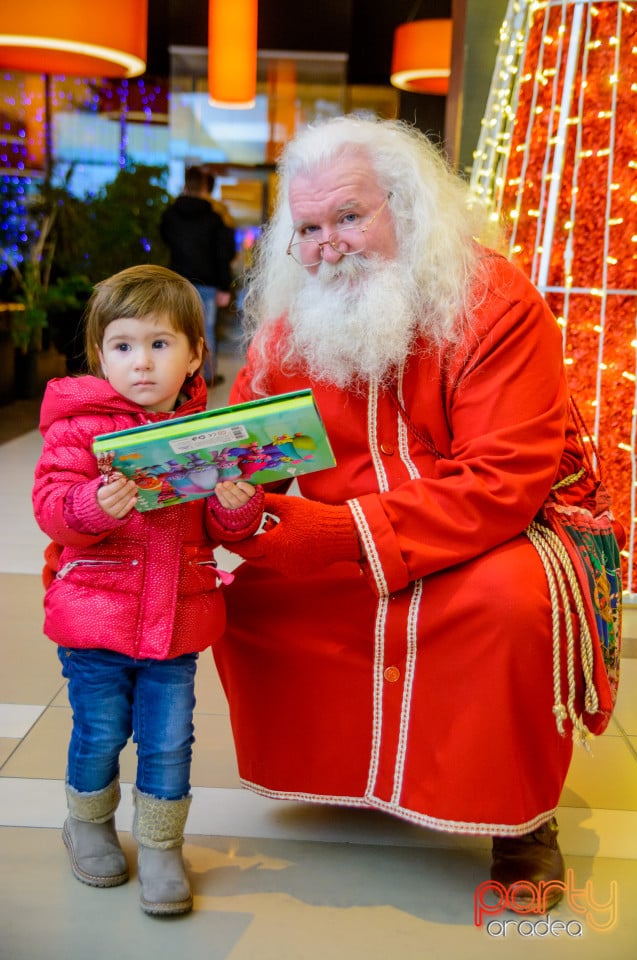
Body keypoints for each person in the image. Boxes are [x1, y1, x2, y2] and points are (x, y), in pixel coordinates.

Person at [213, 115, 600, 911]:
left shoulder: (497, 300)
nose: (329, 246)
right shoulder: (293, 317)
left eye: (350, 217)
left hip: (494, 527)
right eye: (310, 228)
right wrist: (225, 503)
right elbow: (251, 444)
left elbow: (505, 477)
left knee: (504, 604)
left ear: (407, 207)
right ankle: (356, 775)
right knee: (255, 595)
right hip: (342, 528)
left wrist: (347, 535)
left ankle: (522, 819)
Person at [32, 264, 264, 916]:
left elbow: (220, 527)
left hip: (177, 622)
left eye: (160, 345)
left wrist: (239, 505)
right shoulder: (80, 431)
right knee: (100, 732)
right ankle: (88, 823)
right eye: (124, 346)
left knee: (168, 740)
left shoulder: (207, 436)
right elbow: (51, 506)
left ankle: (162, 845)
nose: (141, 364)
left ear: (195, 352)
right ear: (100, 354)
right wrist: (94, 503)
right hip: (94, 621)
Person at [160, 166, 236, 386]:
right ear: (204, 187)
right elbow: (224, 254)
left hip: (177, 281)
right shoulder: (215, 218)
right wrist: (224, 286)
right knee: (206, 330)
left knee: (176, 329)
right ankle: (206, 378)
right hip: (208, 283)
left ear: (185, 185)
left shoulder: (170, 216)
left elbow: (164, 241)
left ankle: (178, 375)